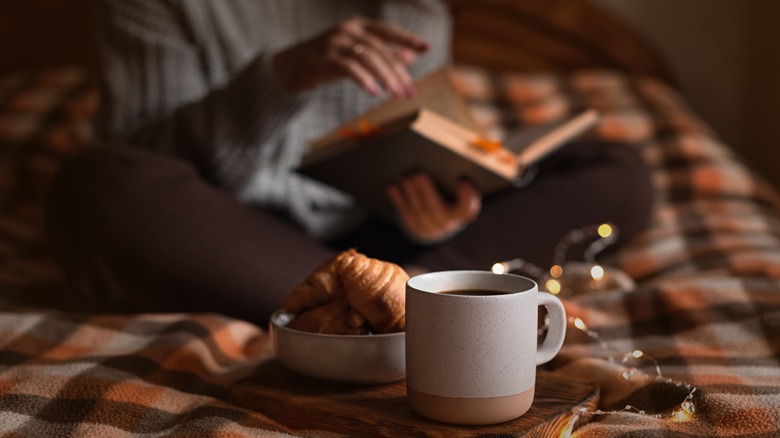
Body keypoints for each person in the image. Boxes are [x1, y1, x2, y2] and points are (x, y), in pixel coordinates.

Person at [45, 0, 653, 324]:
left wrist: (434, 210)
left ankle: (395, 309)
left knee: (614, 166)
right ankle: (422, 308)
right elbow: (139, 162)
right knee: (93, 188)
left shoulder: (414, 7)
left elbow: (399, 143)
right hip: (227, 237)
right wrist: (280, 80)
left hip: (370, 241)